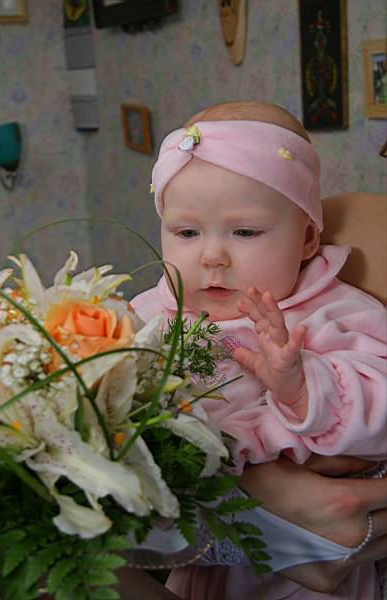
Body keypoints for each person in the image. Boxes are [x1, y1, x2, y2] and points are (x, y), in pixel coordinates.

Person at [130, 100, 387, 599]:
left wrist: (304, 387)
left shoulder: (332, 310)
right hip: (200, 563)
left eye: (245, 232)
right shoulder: (148, 315)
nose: (212, 256)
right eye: (186, 232)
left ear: (307, 238)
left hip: (315, 575)